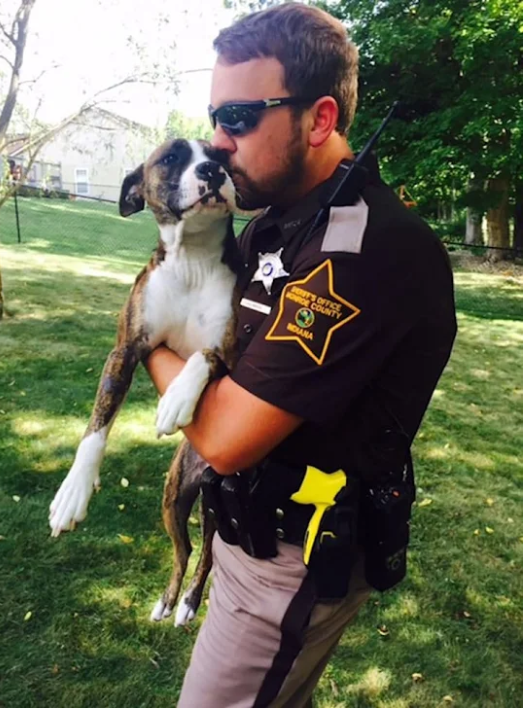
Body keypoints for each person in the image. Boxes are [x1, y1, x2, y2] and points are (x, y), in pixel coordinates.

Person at [146, 4, 457, 706]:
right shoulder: (275, 228)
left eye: (238, 117)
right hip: (243, 537)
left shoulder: (366, 249)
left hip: (288, 561)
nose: (217, 142)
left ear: (318, 120)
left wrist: (143, 339)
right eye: (213, 116)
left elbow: (224, 437)